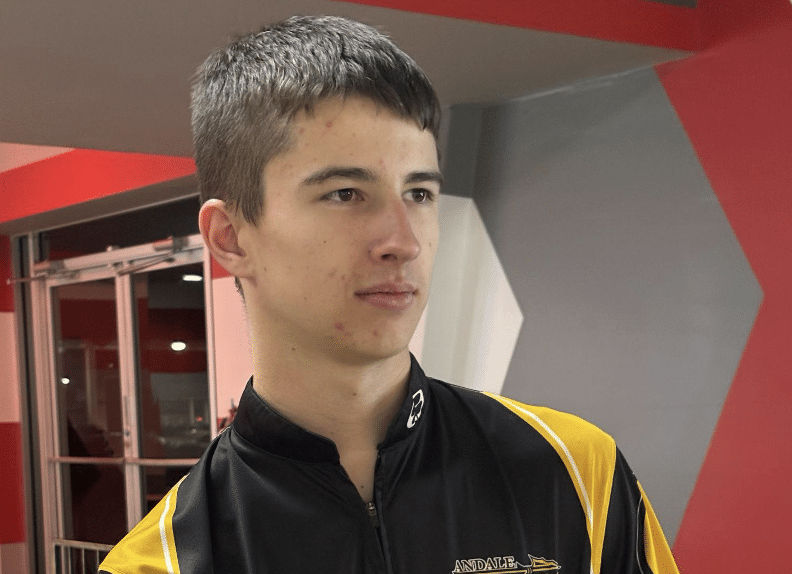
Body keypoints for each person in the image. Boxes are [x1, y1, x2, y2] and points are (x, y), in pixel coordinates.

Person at [100, 15, 679, 574]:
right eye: (345, 193)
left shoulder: (577, 473)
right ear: (230, 238)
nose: (403, 242)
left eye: (419, 194)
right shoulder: (163, 563)